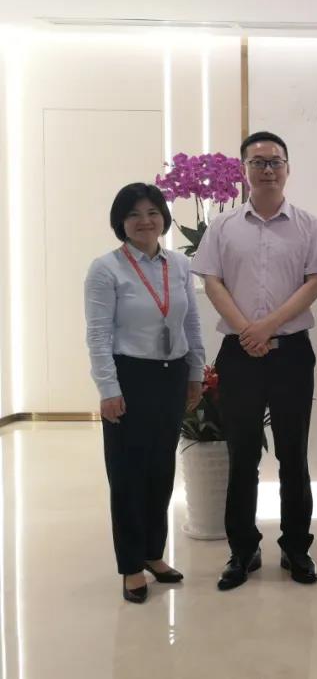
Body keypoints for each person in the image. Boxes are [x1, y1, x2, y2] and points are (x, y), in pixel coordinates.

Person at [192, 131, 317, 591]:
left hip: (291, 353)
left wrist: (267, 326)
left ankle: (296, 548)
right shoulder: (223, 226)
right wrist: (246, 330)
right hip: (239, 354)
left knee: (293, 454)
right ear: (244, 170)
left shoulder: (309, 225)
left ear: (288, 168)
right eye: (258, 162)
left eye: (275, 162)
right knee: (242, 454)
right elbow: (212, 282)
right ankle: (242, 550)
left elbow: (314, 283)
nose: (268, 169)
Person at [84, 182, 205, 603]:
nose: (144, 221)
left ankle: (154, 553)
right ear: (121, 222)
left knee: (160, 470)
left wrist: (195, 373)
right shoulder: (107, 268)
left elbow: (191, 323)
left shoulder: (179, 264)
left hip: (172, 376)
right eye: (134, 214)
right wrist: (108, 388)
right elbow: (98, 334)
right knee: (128, 474)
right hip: (130, 377)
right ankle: (131, 565)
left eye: (152, 212)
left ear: (163, 218)